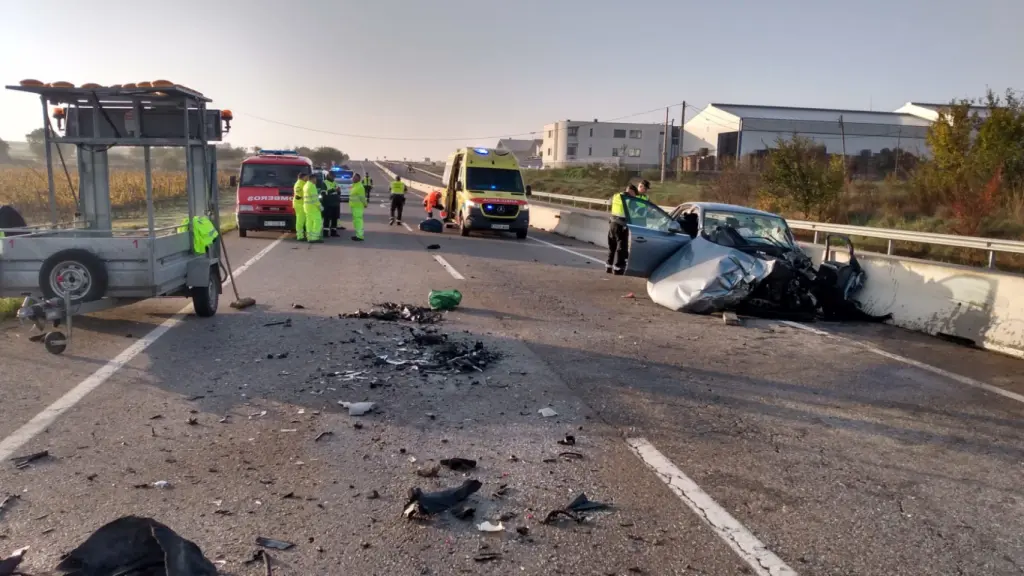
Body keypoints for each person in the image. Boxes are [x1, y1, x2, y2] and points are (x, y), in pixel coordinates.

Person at [606, 184, 638, 275]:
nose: (634, 197)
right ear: (632, 192)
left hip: (612, 223)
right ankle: (618, 269)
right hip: (622, 226)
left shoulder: (616, 195)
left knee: (612, 246)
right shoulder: (628, 199)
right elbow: (637, 210)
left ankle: (608, 267)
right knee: (622, 248)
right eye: (634, 195)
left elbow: (609, 202)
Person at [303, 171, 324, 243]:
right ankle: (315, 237)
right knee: (318, 221)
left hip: (306, 207)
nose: (316, 180)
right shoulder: (312, 186)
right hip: (313, 208)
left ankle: (309, 237)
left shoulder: (306, 185)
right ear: (313, 179)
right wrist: (320, 206)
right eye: (315, 179)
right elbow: (315, 199)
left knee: (309, 222)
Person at [321, 172, 342, 237]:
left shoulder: (335, 183)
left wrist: (338, 191)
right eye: (332, 176)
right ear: (329, 175)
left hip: (336, 204)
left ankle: (333, 232)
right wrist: (333, 190)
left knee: (335, 219)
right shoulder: (324, 183)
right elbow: (323, 193)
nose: (333, 178)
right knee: (327, 218)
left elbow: (338, 192)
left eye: (334, 177)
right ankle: (325, 233)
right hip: (328, 204)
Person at [349, 173, 368, 241]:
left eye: (354, 177)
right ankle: (358, 235)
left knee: (358, 221)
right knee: (356, 222)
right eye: (353, 177)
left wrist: (365, 204)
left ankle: (360, 236)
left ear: (358, 179)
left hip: (358, 207)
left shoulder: (360, 187)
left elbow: (362, 197)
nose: (353, 178)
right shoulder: (354, 186)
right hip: (354, 207)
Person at [292, 172, 308, 241]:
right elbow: (298, 195)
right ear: (303, 177)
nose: (307, 178)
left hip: (302, 204)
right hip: (299, 204)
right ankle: (299, 236)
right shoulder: (299, 184)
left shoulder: (303, 183)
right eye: (306, 177)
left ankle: (302, 235)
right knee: (300, 221)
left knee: (303, 220)